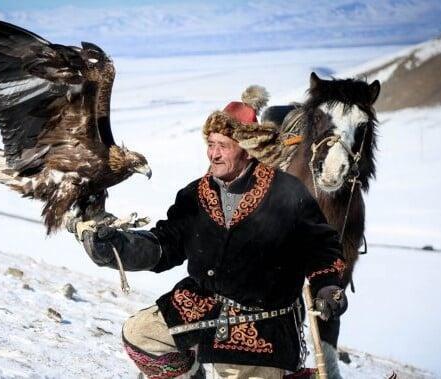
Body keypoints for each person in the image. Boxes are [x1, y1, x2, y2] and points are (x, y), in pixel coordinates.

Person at [78, 86, 348, 379]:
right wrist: (117, 247)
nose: (214, 154)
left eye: (223, 145)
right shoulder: (195, 194)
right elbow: (165, 245)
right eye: (210, 143)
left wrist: (328, 287)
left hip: (262, 325)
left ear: (246, 149)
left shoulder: (286, 192)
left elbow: (322, 246)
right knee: (140, 335)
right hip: (203, 305)